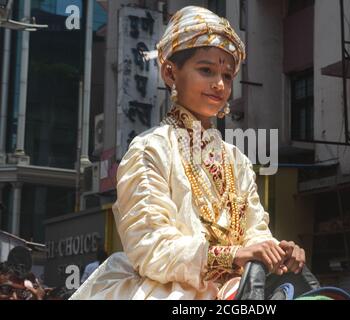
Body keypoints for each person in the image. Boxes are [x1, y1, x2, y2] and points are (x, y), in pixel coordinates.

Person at [70, 5, 305, 300]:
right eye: (206, 70)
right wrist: (231, 256)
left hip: (237, 288)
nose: (219, 84)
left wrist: (274, 251)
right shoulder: (149, 149)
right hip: (166, 291)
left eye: (228, 75)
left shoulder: (237, 160)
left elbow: (254, 230)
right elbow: (150, 247)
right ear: (171, 72)